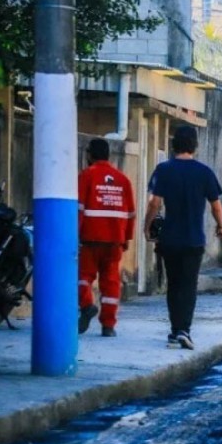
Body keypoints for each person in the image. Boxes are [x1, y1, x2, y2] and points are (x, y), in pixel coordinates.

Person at [143, 125, 222, 351]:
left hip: (169, 239)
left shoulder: (164, 169)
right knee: (188, 286)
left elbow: (154, 203)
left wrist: (147, 224)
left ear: (173, 144)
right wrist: (221, 226)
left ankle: (174, 330)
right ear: (195, 146)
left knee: (173, 284)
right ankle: (184, 330)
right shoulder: (204, 172)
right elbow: (216, 206)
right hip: (194, 240)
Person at [77, 138, 135, 337]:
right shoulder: (123, 179)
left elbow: (79, 209)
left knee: (83, 277)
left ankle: (86, 305)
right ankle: (108, 326)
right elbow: (131, 214)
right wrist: (126, 238)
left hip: (91, 239)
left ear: (90, 155)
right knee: (111, 283)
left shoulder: (86, 176)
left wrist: (75, 234)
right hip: (115, 241)